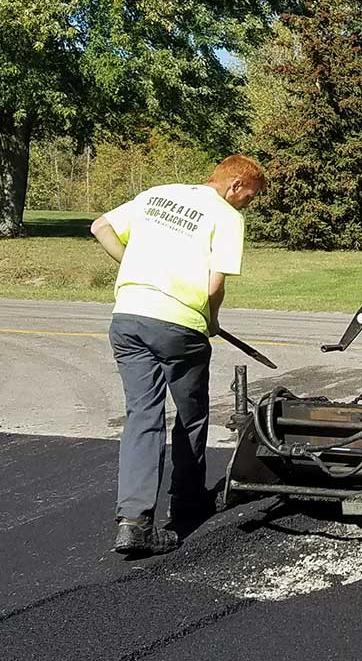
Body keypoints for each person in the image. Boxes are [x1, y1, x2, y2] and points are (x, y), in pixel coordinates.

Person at [89, 154, 267, 555]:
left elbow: (100, 227)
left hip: (128, 317)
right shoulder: (225, 216)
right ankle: (187, 502)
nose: (247, 206)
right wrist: (212, 319)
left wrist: (133, 267)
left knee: (142, 416)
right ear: (235, 186)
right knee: (190, 414)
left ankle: (134, 523)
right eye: (250, 198)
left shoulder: (158, 194)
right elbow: (213, 285)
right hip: (179, 326)